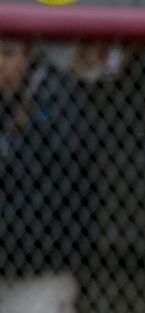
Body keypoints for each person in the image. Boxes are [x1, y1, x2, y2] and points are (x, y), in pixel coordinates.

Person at [0, 39, 95, 313]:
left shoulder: (57, 97)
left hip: (43, 265)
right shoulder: (7, 102)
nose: (1, 65)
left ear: (29, 55)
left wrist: (12, 229)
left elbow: (62, 186)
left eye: (9, 54)